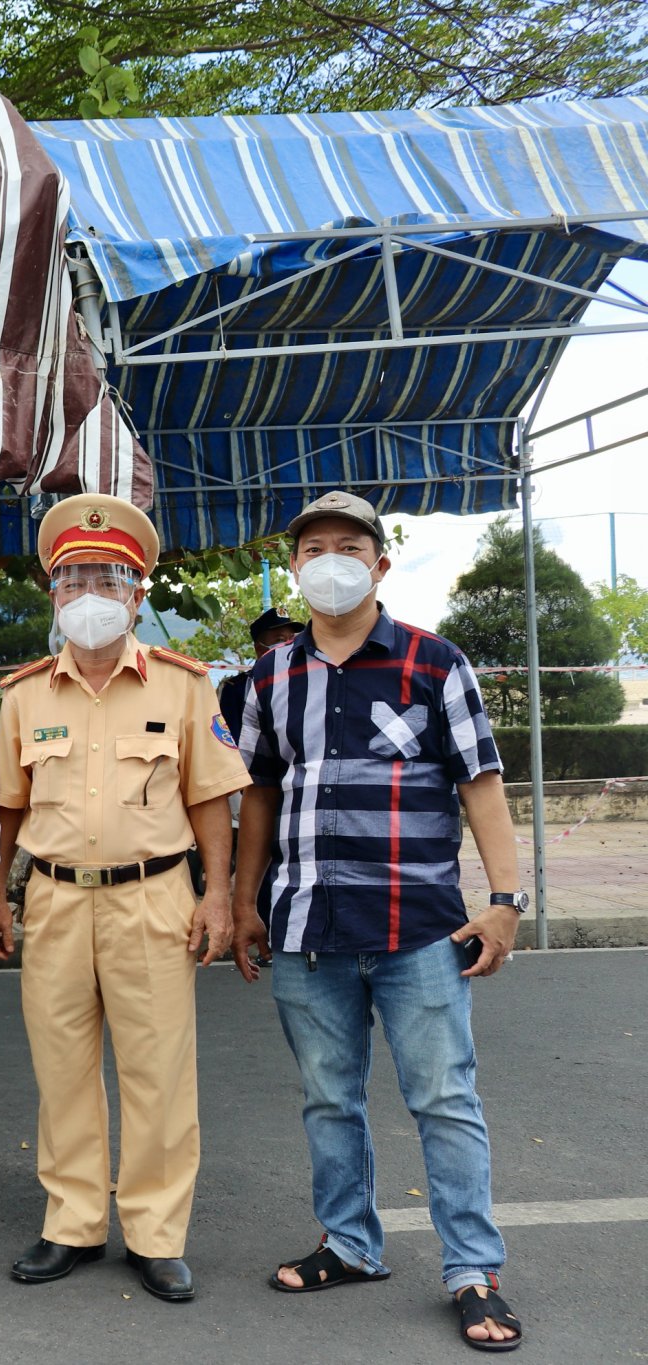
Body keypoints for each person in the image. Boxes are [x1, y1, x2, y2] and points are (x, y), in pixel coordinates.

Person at [230, 490, 526, 1352]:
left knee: (444, 1098)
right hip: (306, 930)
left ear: (380, 564)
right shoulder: (270, 677)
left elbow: (482, 787)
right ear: (294, 567)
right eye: (312, 547)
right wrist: (247, 903)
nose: (329, 559)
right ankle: (351, 1243)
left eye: (348, 546)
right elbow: (256, 791)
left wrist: (504, 902)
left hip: (419, 928)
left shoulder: (436, 664)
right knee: (329, 1099)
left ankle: (473, 1268)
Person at [0, 492, 248, 1303]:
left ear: (138, 593)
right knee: (61, 1070)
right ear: (53, 594)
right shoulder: (25, 694)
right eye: (73, 580)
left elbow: (211, 797)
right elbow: (8, 806)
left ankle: (155, 1231)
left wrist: (218, 896)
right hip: (58, 902)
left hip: (155, 897)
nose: (89, 595)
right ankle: (71, 1221)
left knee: (158, 1073)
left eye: (108, 578)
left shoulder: (182, 685)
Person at [216, 607, 301, 742]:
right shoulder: (237, 689)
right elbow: (231, 743)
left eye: (291, 638)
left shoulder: (304, 682)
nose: (289, 645)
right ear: (260, 648)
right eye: (280, 640)